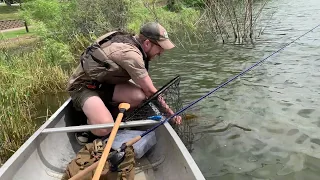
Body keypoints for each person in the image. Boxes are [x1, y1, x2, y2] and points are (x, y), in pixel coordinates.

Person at [67, 22, 182, 144]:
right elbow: (150, 91)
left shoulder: (132, 42)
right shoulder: (131, 55)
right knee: (105, 127)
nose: (161, 53)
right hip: (84, 87)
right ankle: (88, 127)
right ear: (147, 43)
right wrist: (171, 114)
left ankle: (105, 113)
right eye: (160, 48)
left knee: (139, 97)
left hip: (106, 85)